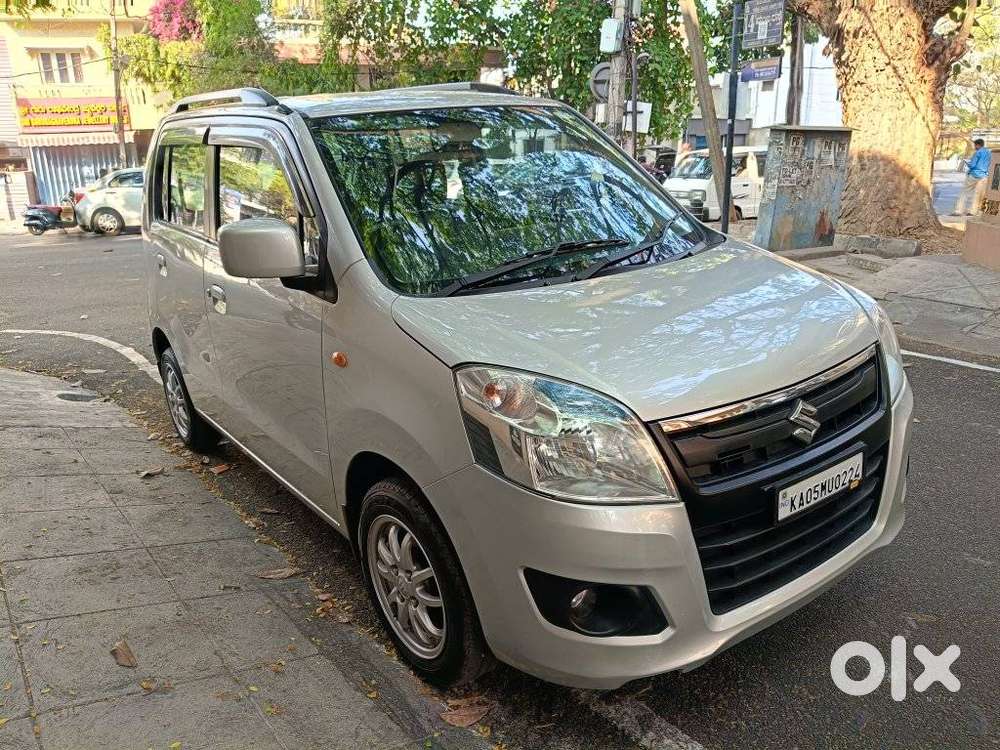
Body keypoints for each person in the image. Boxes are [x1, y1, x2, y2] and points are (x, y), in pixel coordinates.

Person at [952, 138, 993, 216]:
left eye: (975, 145)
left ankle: (958, 210)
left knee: (965, 192)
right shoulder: (989, 153)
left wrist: (967, 163)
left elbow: (973, 165)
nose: (974, 147)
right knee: (979, 194)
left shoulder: (977, 153)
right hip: (984, 176)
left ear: (978, 145)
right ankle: (974, 212)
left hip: (974, 174)